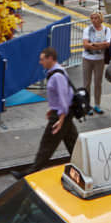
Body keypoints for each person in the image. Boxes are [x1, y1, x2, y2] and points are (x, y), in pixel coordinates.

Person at [13, 47, 78, 178]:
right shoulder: (57, 70)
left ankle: (30, 174)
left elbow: (63, 98)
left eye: (42, 59)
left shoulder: (57, 76)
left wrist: (61, 119)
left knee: (47, 145)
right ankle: (83, 166)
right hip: (61, 113)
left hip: (60, 115)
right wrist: (52, 109)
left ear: (50, 58)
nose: (40, 62)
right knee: (73, 143)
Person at [81, 12, 110, 115]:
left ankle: (97, 105)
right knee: (86, 83)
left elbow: (107, 45)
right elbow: (85, 45)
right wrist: (99, 45)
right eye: (92, 18)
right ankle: (87, 105)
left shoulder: (106, 30)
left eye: (96, 18)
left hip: (99, 60)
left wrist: (93, 44)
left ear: (100, 19)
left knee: (98, 83)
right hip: (87, 59)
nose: (94, 20)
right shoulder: (87, 30)